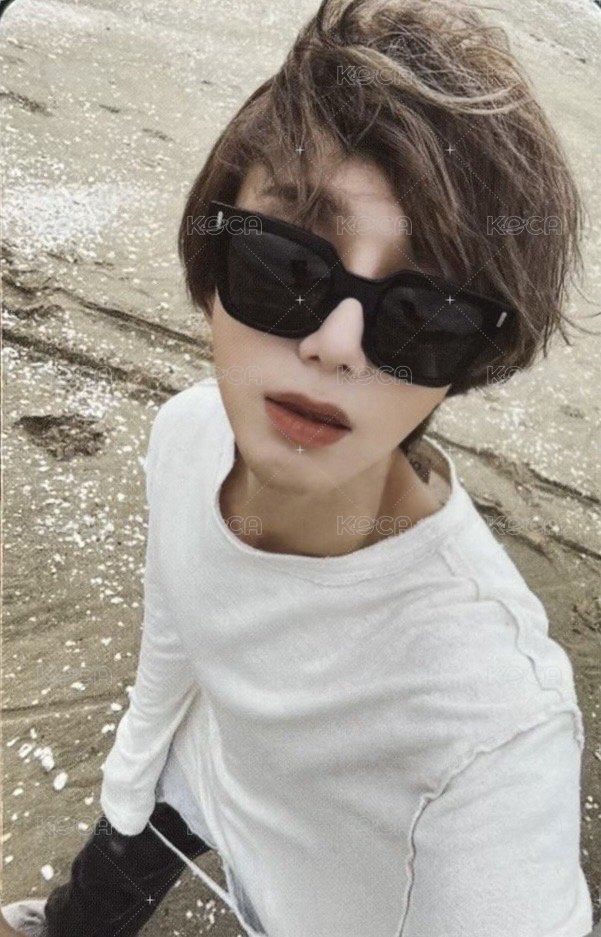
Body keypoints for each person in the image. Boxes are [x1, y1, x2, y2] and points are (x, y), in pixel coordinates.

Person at [3, 0, 597, 935]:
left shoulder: (490, 726)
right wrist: (129, 783)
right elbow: (179, 631)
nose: (335, 344)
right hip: (191, 776)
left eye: (423, 315)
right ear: (214, 251)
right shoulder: (187, 433)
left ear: (469, 361)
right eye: (285, 263)